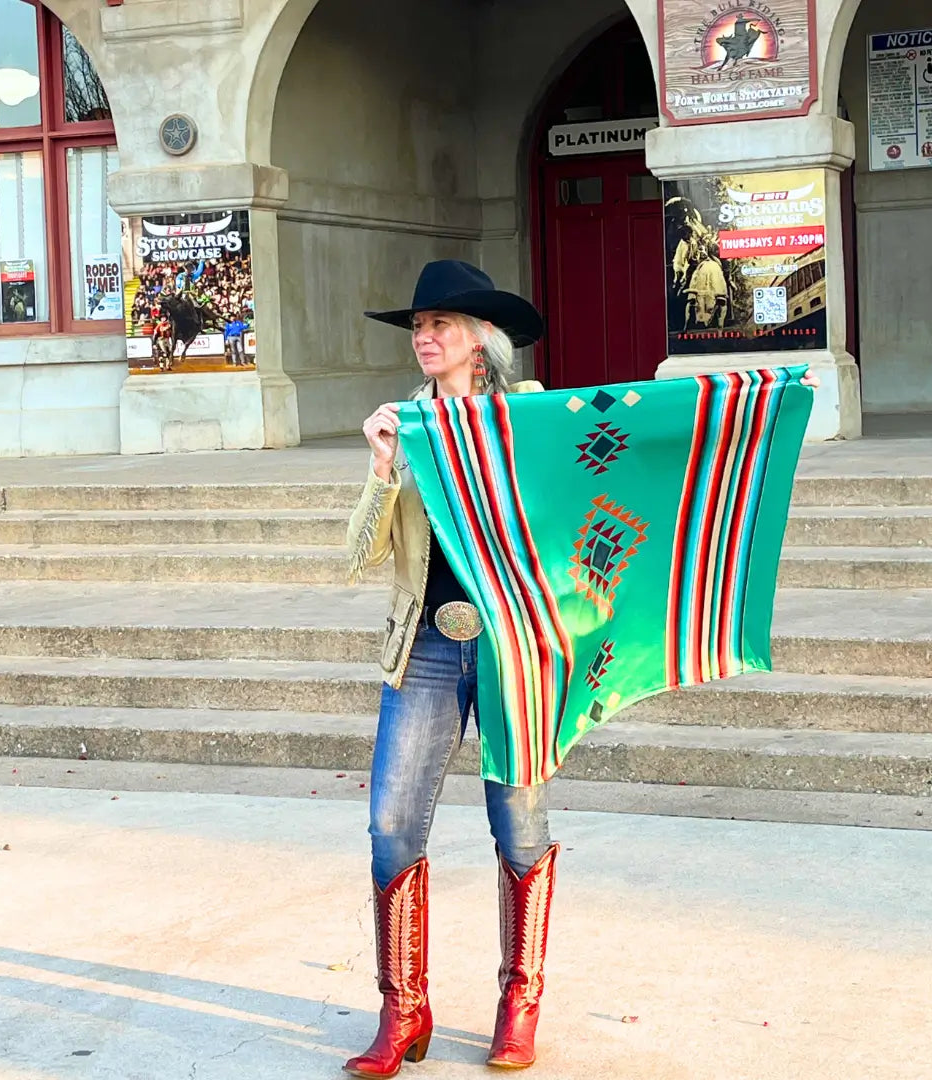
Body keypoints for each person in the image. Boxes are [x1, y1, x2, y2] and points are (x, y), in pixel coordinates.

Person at [344, 260, 557, 1076]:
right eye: (418, 326)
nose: (424, 337)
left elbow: (578, 511)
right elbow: (357, 555)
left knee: (520, 825)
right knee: (392, 825)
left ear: (481, 340)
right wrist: (381, 467)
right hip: (426, 648)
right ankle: (404, 1010)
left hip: (513, 648)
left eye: (440, 323)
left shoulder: (530, 415)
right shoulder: (403, 425)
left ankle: (519, 1001)